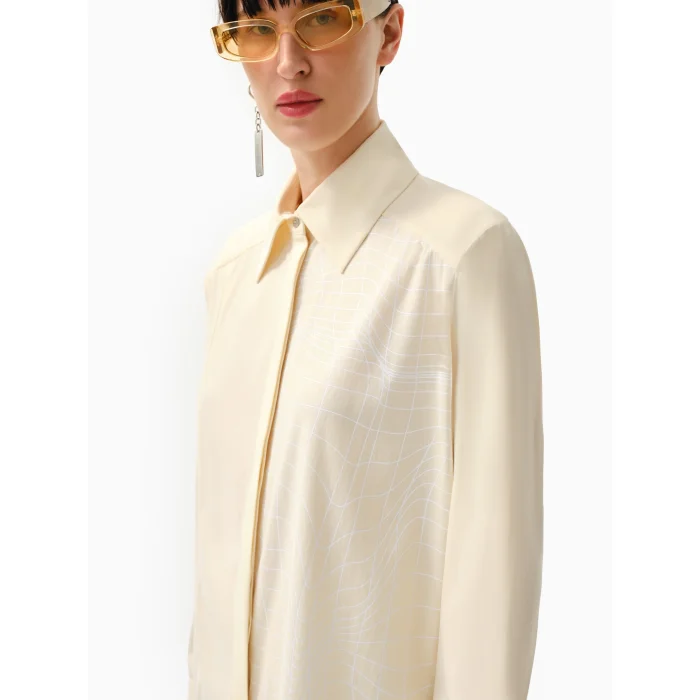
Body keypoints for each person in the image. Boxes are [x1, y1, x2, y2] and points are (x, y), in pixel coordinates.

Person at [188, 1, 544, 699]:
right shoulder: (236, 272)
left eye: (321, 19)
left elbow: (491, 579)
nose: (288, 61)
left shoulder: (461, 255)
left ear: (390, 31)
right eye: (257, 30)